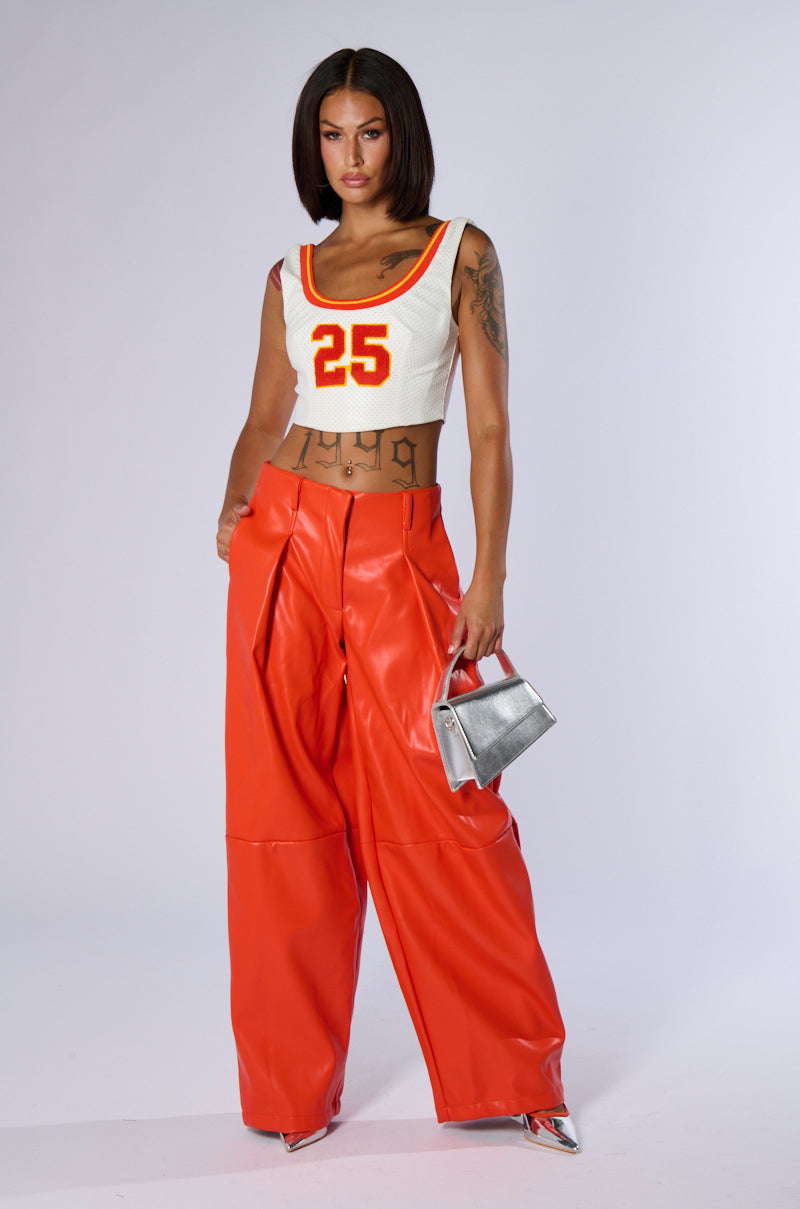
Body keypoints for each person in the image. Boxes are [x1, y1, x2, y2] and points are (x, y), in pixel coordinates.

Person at [216, 47, 579, 1156]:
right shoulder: (290, 273)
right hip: (286, 542)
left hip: (397, 547)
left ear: (400, 136)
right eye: (330, 135)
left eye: (368, 132)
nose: (351, 156)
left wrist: (489, 574)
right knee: (280, 817)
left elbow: (488, 427)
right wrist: (234, 512)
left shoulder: (459, 253)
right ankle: (288, 1098)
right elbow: (265, 415)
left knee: (449, 807)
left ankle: (517, 1075)